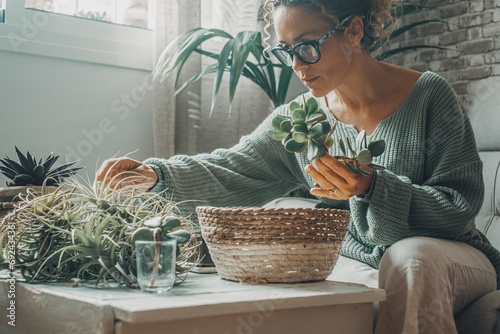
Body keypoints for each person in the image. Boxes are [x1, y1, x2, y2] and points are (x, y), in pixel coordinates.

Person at [97, 0, 500, 332]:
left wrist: (373, 186)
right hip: (363, 260)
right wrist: (157, 176)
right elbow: (232, 168)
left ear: (354, 31)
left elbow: (457, 207)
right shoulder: (302, 118)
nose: (296, 64)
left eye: (306, 45)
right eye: (285, 50)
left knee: (411, 258)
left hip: (453, 255)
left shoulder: (430, 96)